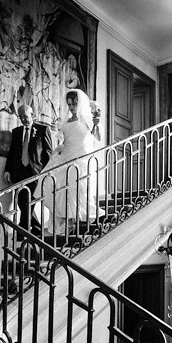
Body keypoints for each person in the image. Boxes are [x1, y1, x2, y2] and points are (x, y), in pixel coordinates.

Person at [40, 88, 103, 236]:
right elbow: (65, 139)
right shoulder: (67, 120)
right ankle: (65, 224)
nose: (71, 107)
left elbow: (98, 137)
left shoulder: (86, 118)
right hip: (66, 156)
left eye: (74, 104)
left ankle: (78, 223)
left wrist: (96, 124)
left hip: (81, 157)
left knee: (78, 189)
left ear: (79, 103)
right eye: (69, 104)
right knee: (60, 189)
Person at [4, 104, 53, 233]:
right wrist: (7, 170)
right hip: (18, 171)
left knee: (29, 201)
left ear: (32, 115)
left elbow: (48, 152)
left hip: (35, 172)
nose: (23, 119)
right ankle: (36, 228)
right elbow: (12, 153)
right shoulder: (16, 132)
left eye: (25, 116)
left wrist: (47, 171)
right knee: (22, 202)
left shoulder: (43, 130)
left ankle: (22, 230)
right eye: (20, 117)